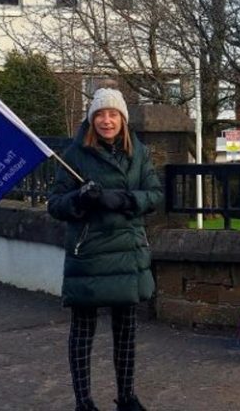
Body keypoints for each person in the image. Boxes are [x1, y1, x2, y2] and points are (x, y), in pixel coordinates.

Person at [48, 88, 161, 411]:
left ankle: (127, 397)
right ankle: (83, 402)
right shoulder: (75, 154)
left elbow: (155, 194)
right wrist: (80, 199)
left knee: (126, 331)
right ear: (91, 119)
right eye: (100, 114)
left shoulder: (138, 152)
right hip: (90, 253)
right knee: (83, 331)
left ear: (122, 118)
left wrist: (124, 199)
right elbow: (55, 204)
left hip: (127, 252)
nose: (107, 121)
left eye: (113, 114)